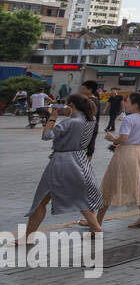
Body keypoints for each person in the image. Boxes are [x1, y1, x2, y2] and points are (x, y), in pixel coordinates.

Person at [23, 94, 104, 242]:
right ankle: (96, 227)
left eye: (66, 106)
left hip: (62, 161)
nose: (64, 109)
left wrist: (53, 117)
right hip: (80, 159)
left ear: (72, 106)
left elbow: (46, 135)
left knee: (41, 200)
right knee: (81, 196)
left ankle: (28, 237)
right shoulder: (90, 120)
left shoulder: (70, 122)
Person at [99, 92, 140, 229]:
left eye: (127, 102)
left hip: (126, 152)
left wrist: (112, 139)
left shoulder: (129, 119)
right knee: (138, 182)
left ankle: (97, 221)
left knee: (109, 184)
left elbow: (123, 139)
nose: (125, 104)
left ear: (135, 105)